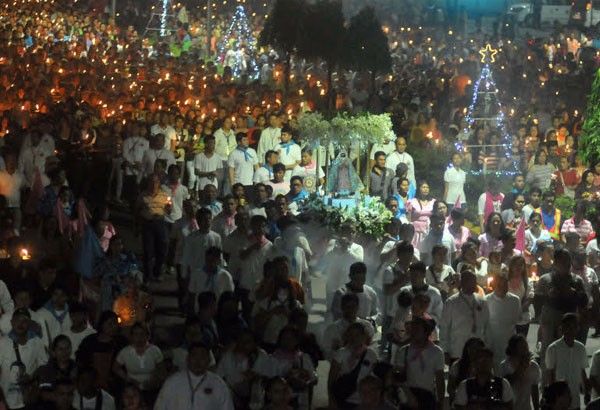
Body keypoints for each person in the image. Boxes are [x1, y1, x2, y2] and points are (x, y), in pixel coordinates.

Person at [155, 342, 234, 410]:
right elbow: (160, 407)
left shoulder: (218, 384)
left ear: (209, 360)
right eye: (194, 356)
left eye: (202, 357)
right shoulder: (172, 382)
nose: (198, 361)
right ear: (187, 359)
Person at [0, 308, 48, 409]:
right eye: (17, 320)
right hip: (6, 400)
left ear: (30, 324)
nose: (20, 324)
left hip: (28, 399)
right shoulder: (2, 343)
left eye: (25, 321)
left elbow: (43, 366)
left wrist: (31, 377)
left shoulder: (36, 342)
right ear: (11, 322)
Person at [393, 317, 445, 409]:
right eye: (412, 329)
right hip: (408, 395)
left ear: (426, 332)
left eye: (417, 329)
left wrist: (440, 401)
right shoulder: (404, 351)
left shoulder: (436, 352)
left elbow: (439, 378)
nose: (413, 332)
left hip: (427, 396)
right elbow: (399, 376)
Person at [440, 270, 490, 362]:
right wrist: (445, 350)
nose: (474, 284)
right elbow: (444, 328)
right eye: (470, 281)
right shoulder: (451, 302)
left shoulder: (482, 301)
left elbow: (487, 325)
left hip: (477, 350)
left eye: (474, 281)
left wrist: (487, 346)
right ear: (462, 282)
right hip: (458, 351)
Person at [545, 313, 590, 410]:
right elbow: (550, 374)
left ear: (578, 328)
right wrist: (553, 400)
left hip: (575, 400)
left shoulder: (581, 348)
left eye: (574, 326)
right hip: (559, 403)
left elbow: (582, 371)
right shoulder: (553, 348)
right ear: (562, 328)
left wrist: (587, 392)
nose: (570, 329)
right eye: (567, 326)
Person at [328, 322, 378, 409]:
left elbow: (374, 379)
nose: (354, 338)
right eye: (351, 335)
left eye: (357, 335)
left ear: (363, 336)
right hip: (343, 399)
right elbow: (331, 380)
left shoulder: (371, 354)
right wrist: (331, 401)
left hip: (364, 401)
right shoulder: (340, 354)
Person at [322, 293, 375, 360]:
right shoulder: (332, 329)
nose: (351, 310)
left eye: (353, 306)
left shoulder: (367, 326)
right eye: (347, 306)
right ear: (342, 307)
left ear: (358, 307)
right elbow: (326, 352)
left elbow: (371, 349)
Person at [485, 274, 521, 371]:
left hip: (509, 341)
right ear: (494, 286)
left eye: (504, 285)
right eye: (499, 285)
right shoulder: (486, 300)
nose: (502, 288)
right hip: (493, 342)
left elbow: (516, 319)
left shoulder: (515, 300)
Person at [500, 334, 541, 410]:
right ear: (514, 350)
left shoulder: (533, 366)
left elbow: (534, 389)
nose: (525, 350)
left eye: (526, 347)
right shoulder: (505, 366)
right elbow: (505, 386)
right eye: (522, 347)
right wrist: (521, 368)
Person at [407, 181, 435, 250]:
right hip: (415, 232)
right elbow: (408, 218)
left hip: (428, 231)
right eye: (423, 187)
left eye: (427, 187)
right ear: (419, 189)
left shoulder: (434, 202)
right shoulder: (412, 201)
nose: (426, 189)